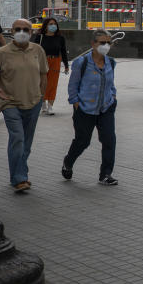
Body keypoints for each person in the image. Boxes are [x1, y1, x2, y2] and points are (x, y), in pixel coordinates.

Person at [0, 18, 48, 192]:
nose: (22, 32)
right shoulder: (1, 53)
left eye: (26, 29)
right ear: (11, 31)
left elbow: (43, 74)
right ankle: (19, 179)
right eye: (18, 29)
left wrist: (41, 96)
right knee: (17, 139)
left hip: (33, 102)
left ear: (31, 32)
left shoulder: (37, 50)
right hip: (10, 103)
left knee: (26, 142)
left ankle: (19, 175)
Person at [62, 29, 118, 186]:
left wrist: (113, 97)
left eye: (108, 42)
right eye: (102, 42)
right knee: (83, 141)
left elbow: (111, 83)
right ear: (93, 44)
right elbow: (73, 86)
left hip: (106, 107)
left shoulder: (111, 62)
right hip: (85, 109)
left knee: (109, 140)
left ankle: (106, 174)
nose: (106, 45)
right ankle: (68, 161)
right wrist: (76, 102)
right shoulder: (82, 62)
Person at [32, 17, 69, 115]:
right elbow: (33, 51)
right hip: (42, 61)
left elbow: (63, 52)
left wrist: (66, 65)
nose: (53, 26)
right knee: (42, 83)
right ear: (46, 26)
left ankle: (50, 106)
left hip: (55, 61)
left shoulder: (60, 38)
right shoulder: (39, 37)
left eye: (54, 24)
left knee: (53, 84)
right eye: (50, 24)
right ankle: (43, 103)